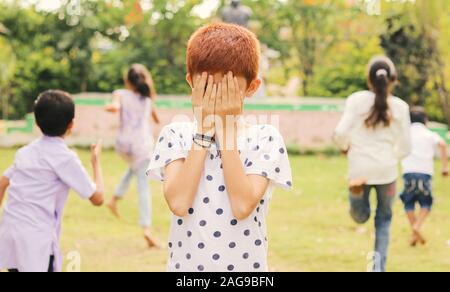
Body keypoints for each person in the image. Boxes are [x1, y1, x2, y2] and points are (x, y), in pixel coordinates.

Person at [146, 23, 292, 272]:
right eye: (207, 88)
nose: (216, 98)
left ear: (252, 87)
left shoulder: (266, 138)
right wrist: (204, 132)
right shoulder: (175, 134)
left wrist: (225, 131)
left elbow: (242, 205)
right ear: (192, 83)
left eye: (226, 89)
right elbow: (179, 203)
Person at [0, 90, 104, 272]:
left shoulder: (25, 152)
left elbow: (3, 181)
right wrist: (96, 163)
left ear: (37, 123)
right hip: (36, 240)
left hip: (11, 233)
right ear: (71, 125)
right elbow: (98, 198)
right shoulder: (65, 158)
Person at [334, 56, 411, 272]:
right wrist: (392, 155)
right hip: (386, 171)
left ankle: (357, 197)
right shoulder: (400, 107)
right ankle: (377, 269)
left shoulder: (356, 100)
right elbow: (406, 148)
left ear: (369, 79)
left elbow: (340, 133)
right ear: (393, 80)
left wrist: (345, 147)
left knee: (361, 217)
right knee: (384, 220)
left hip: (359, 168)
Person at [106, 64, 161, 248]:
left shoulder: (120, 94)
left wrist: (113, 108)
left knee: (134, 169)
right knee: (143, 186)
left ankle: (114, 199)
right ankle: (147, 229)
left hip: (123, 145)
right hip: (141, 146)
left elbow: (115, 105)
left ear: (127, 81)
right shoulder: (147, 99)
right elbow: (156, 119)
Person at [400, 107, 449, 246]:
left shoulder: (405, 134)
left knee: (408, 202)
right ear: (425, 120)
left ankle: (414, 231)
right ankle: (417, 226)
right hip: (425, 173)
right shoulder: (428, 133)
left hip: (408, 172)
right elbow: (442, 144)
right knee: (426, 202)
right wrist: (445, 167)